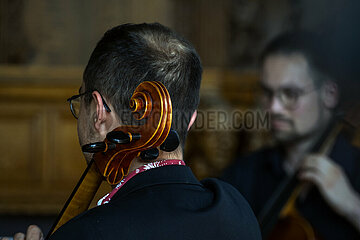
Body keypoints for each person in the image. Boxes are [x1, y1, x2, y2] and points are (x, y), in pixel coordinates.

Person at [11, 23, 261, 240]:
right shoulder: (236, 212)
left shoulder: (86, 234)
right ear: (191, 119)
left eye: (81, 100)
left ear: (99, 113)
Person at [221, 31, 360, 239]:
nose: (274, 108)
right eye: (267, 93)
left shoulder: (357, 169)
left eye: (290, 94)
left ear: (329, 94)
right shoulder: (244, 174)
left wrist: (352, 206)